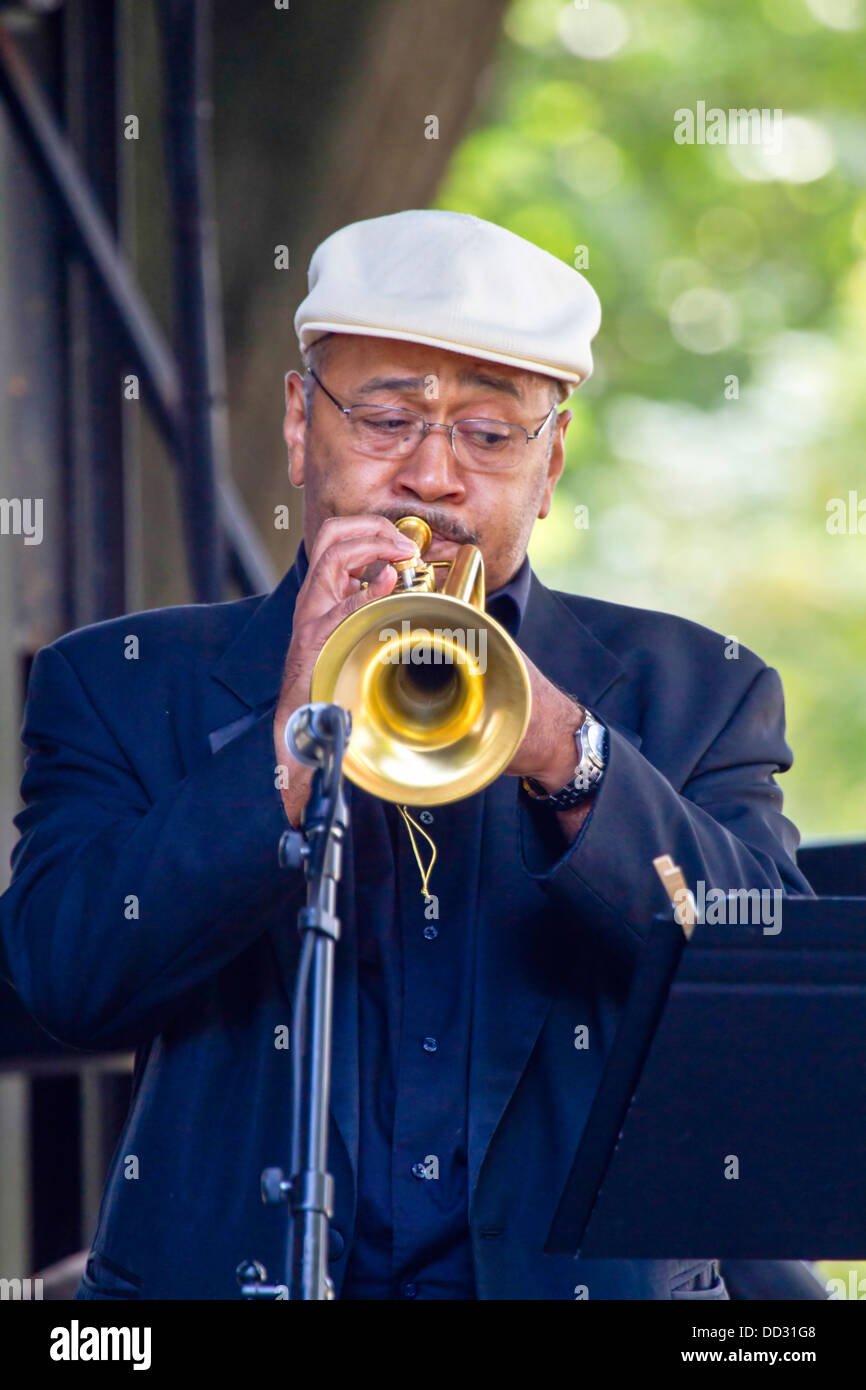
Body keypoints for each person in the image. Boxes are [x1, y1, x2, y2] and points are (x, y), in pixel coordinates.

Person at [0, 210, 813, 1300]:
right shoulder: (121, 681)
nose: (432, 476)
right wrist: (289, 746)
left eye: (488, 435)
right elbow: (66, 979)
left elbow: (765, 1010)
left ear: (551, 458)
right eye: (387, 419)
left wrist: (567, 754)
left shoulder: (696, 692)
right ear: (300, 423)